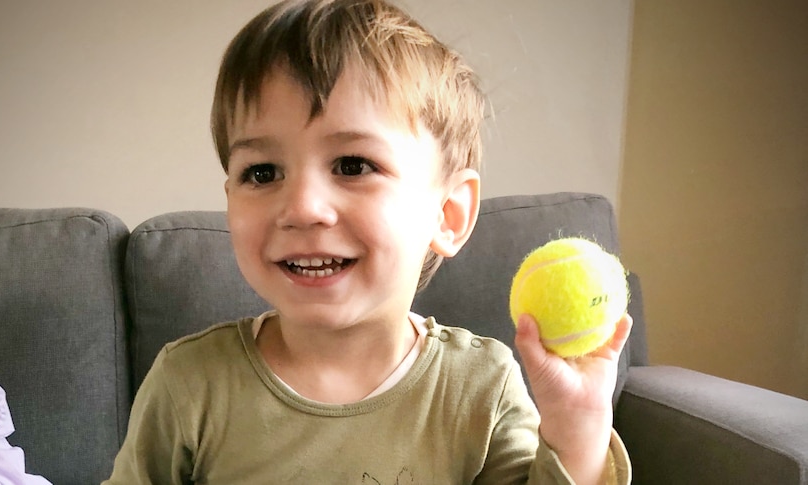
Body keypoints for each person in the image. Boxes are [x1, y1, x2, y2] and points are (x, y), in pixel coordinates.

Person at [104, 0, 633, 483]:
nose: (303, 207)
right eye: (262, 172)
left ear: (447, 214)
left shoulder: (481, 388)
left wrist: (577, 430)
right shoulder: (189, 384)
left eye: (353, 165)